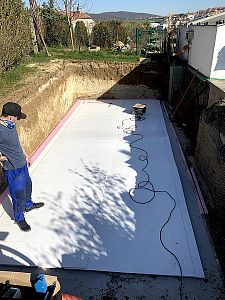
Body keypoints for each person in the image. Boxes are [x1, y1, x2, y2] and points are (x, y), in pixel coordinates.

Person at [0, 102, 44, 232]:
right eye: (17, 117)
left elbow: (16, 142)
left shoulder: (10, 125)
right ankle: (19, 218)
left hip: (22, 163)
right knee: (18, 193)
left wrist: (26, 155)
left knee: (27, 185)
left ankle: (28, 205)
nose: (17, 120)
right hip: (12, 168)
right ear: (11, 116)